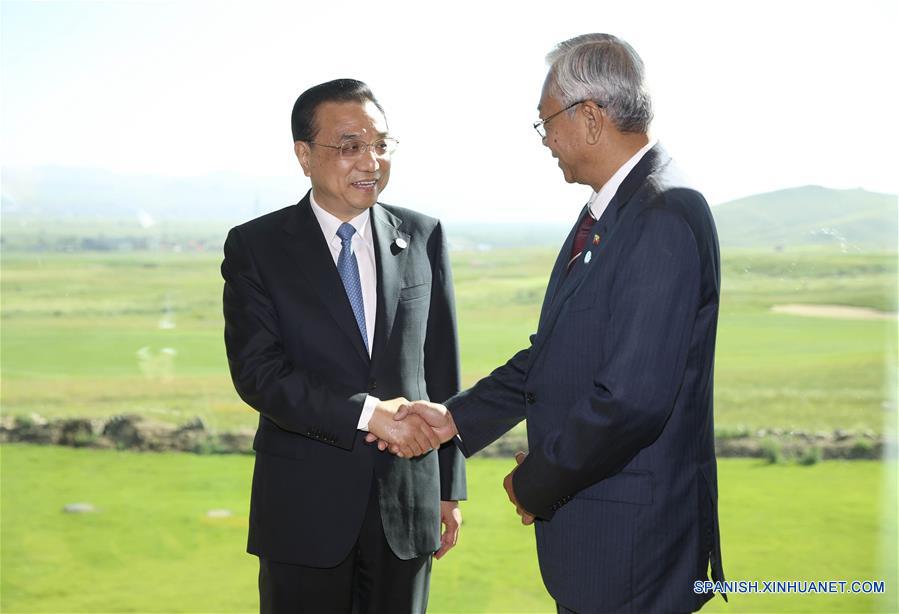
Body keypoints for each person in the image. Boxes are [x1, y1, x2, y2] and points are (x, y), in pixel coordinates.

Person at [387, 34, 726, 612]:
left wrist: (536, 482)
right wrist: (456, 418)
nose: (545, 141)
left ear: (590, 117)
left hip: (633, 552)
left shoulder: (663, 214)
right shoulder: (612, 211)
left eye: (546, 122)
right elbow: (556, 352)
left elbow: (632, 400)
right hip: (607, 543)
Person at [221, 78, 466, 614]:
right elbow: (259, 374)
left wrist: (448, 488)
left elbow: (440, 369)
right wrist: (370, 415)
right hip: (303, 511)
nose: (370, 161)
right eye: (350, 146)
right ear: (303, 155)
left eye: (381, 144)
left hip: (407, 505)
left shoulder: (423, 234)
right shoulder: (256, 247)